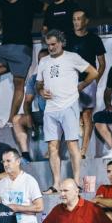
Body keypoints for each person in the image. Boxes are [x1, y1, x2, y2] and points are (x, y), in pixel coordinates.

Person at [37, 29, 98, 188]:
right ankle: (56, 184)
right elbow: (38, 84)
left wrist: (82, 85)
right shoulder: (43, 61)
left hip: (69, 105)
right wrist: (41, 91)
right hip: (50, 109)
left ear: (61, 43)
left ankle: (76, 182)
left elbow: (93, 72)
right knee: (52, 146)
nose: (50, 47)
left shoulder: (72, 57)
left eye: (53, 44)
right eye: (48, 45)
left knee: (72, 144)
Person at [0, 0, 42, 125]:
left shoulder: (29, 1)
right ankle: (12, 67)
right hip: (5, 47)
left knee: (18, 84)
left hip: (22, 47)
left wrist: (46, 28)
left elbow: (48, 8)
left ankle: (11, 119)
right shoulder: (2, 1)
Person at [66, 9, 106, 159]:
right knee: (71, 115)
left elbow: (102, 64)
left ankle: (83, 150)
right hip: (71, 82)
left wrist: (94, 81)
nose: (76, 22)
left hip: (88, 81)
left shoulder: (94, 39)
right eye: (74, 19)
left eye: (79, 19)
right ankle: (74, 149)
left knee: (87, 114)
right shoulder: (67, 38)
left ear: (86, 21)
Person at [13, 48, 49, 162]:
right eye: (40, 60)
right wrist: (28, 116)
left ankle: (52, 152)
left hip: (56, 114)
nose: (42, 63)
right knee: (16, 119)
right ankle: (25, 155)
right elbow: (27, 102)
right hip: (41, 115)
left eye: (45, 59)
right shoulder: (34, 79)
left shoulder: (57, 77)